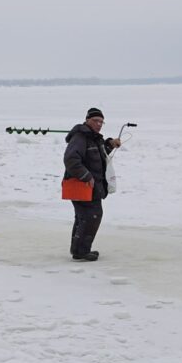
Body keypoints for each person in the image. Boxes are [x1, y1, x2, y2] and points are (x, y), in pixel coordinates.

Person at [63, 107, 121, 261]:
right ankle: (81, 251)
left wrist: (110, 144)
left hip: (92, 188)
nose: (99, 124)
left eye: (101, 122)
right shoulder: (80, 137)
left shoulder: (94, 138)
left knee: (85, 218)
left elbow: (97, 156)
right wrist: (86, 176)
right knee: (91, 217)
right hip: (82, 186)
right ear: (87, 120)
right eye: (96, 121)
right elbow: (71, 159)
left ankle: (78, 250)